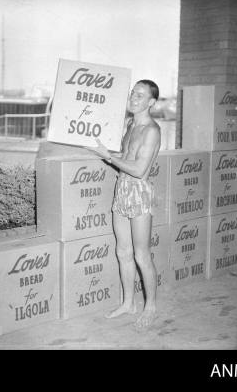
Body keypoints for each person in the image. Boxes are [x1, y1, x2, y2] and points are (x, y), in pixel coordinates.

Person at [85, 79, 161, 328]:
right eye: (132, 93)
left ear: (150, 102)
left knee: (141, 255)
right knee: (123, 251)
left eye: (139, 95)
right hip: (122, 189)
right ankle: (128, 303)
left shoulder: (152, 130)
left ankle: (150, 306)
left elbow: (139, 169)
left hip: (138, 192)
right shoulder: (130, 125)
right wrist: (103, 151)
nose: (133, 97)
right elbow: (125, 157)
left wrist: (109, 157)